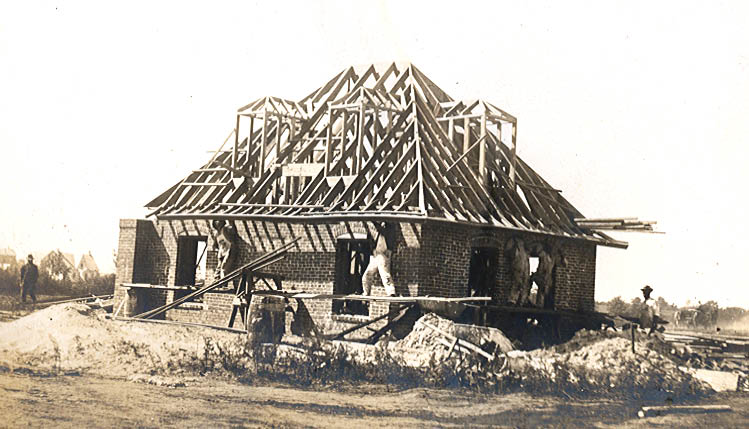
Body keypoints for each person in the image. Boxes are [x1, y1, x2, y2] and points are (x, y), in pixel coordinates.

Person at [362, 222, 397, 296]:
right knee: (367, 274)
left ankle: (391, 292)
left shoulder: (388, 228)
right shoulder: (374, 230)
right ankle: (366, 292)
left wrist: (389, 250)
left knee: (384, 273)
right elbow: (371, 241)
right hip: (375, 254)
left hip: (383, 253)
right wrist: (373, 251)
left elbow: (388, 235)